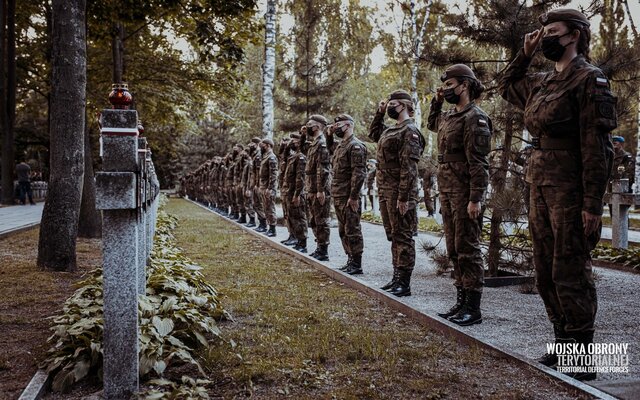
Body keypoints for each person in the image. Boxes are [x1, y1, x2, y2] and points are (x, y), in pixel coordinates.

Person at [499, 8, 616, 381]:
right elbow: (505, 85)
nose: (546, 36)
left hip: (571, 188)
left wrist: (592, 204)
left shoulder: (589, 80)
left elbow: (597, 148)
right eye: (543, 31)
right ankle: (563, 343)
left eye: (553, 31)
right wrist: (525, 52)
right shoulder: (543, 81)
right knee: (545, 268)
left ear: (574, 36)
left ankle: (583, 356)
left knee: (569, 270)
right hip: (540, 185)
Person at [427, 64, 491, 326]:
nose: (446, 89)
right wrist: (437, 101)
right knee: (454, 248)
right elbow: (433, 123)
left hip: (465, 192)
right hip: (448, 190)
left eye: (450, 85)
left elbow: (479, 162)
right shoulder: (450, 117)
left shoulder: (475, 118)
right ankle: (461, 300)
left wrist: (475, 197)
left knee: (468, 249)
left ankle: (473, 308)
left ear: (464, 85)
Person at [368, 89, 425, 297]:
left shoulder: (410, 131)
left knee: (403, 235)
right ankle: (396, 277)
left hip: (400, 192)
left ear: (404, 105)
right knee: (394, 235)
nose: (390, 106)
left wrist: (403, 197)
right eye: (389, 104)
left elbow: (409, 168)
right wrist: (380, 113)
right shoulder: (391, 130)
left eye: (393, 104)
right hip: (385, 189)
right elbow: (373, 134)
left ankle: (404, 281)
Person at [330, 114, 368, 274]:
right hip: (338, 194)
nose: (336, 127)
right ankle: (350, 259)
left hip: (348, 196)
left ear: (349, 125)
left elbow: (358, 173)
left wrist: (353, 196)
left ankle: (357, 263)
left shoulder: (356, 146)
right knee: (342, 229)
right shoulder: (340, 146)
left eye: (339, 125)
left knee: (352, 228)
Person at [304, 115, 332, 261]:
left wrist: (321, 190)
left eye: (310, 124)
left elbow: (323, 169)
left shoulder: (322, 144)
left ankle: (323, 250)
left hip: (319, 189)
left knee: (321, 220)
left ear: (318, 126)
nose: (307, 126)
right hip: (312, 188)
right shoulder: (314, 144)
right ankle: (319, 247)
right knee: (315, 219)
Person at [283, 133, 308, 252]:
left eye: (293, 141)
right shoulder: (293, 157)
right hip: (290, 191)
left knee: (299, 218)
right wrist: (287, 147)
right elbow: (284, 157)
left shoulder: (301, 157)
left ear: (298, 142)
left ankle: (303, 243)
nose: (291, 142)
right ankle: (296, 239)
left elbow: (300, 178)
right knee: (292, 216)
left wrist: (297, 194)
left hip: (296, 192)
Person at [259, 138, 279, 237]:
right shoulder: (265, 156)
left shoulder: (271, 157)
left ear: (268, 145)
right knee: (266, 208)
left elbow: (273, 174)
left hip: (268, 187)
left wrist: (270, 188)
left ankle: (272, 229)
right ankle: (269, 227)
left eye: (262, 144)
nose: (261, 146)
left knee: (270, 208)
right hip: (264, 186)